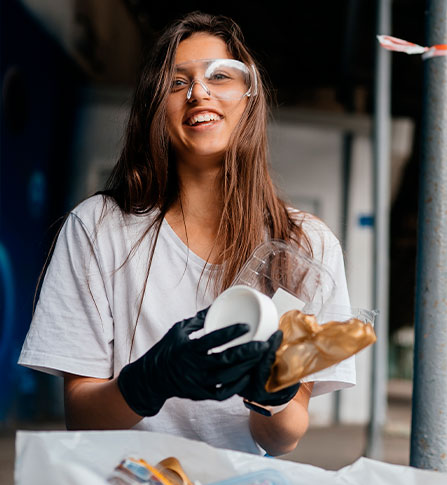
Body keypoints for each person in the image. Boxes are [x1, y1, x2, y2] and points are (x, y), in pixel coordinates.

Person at [18, 12, 355, 457]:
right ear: (154, 109)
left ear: (250, 98)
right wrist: (149, 380)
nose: (199, 92)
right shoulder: (97, 228)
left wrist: (272, 395)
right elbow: (83, 420)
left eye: (221, 76)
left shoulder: (304, 244)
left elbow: (282, 438)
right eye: (177, 83)